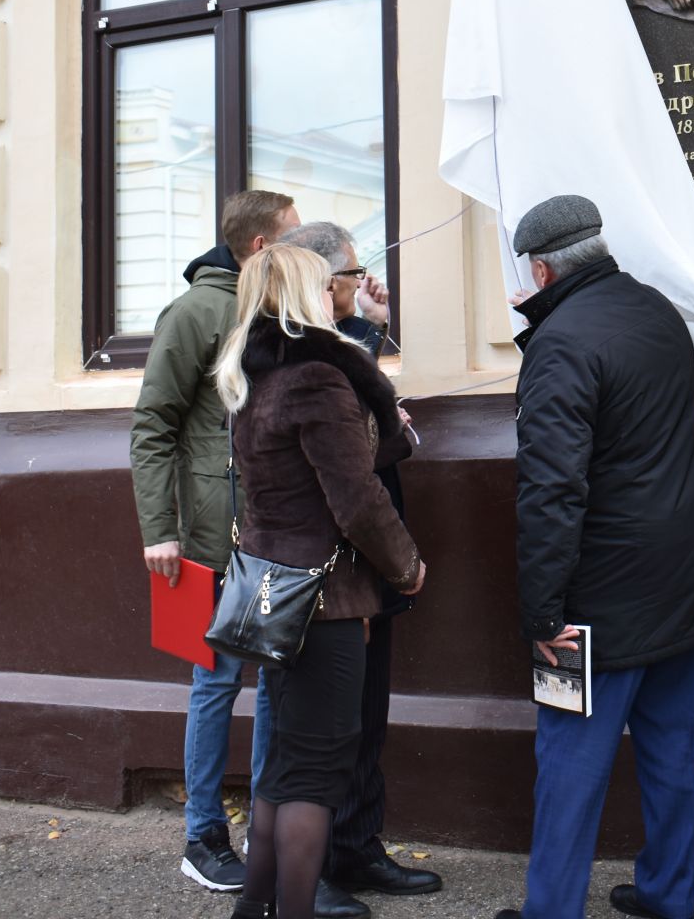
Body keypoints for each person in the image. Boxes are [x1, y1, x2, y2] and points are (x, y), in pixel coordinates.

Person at [494, 195, 694, 919]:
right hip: (685, 587)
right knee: (675, 756)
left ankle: (552, 910)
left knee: (569, 768)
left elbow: (552, 491)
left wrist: (542, 610)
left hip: (596, 605)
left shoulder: (562, 343)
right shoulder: (657, 311)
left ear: (539, 268)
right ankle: (667, 897)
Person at [215, 243, 427, 919]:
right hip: (326, 602)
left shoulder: (256, 380)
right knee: (314, 775)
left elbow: (310, 477)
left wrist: (380, 432)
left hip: (276, 595)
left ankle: (256, 909)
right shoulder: (315, 380)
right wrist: (409, 569)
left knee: (283, 769)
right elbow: (357, 500)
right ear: (306, 295)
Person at [130, 189, 297, 894]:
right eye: (294, 234)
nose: (305, 244)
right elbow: (152, 426)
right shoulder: (197, 311)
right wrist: (159, 531)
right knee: (218, 681)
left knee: (276, 685)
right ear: (261, 246)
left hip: (279, 531)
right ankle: (203, 836)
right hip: (211, 536)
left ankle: (270, 830)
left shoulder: (278, 309)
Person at [280, 221, 443, 906]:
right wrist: (395, 434)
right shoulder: (293, 358)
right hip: (326, 569)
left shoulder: (333, 348)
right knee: (321, 732)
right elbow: (348, 468)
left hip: (363, 562)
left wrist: (374, 327)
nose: (360, 280)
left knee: (364, 714)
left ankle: (352, 849)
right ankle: (304, 874)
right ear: (322, 282)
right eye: (350, 273)